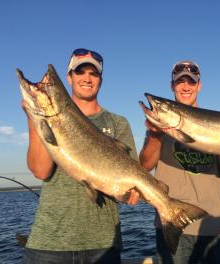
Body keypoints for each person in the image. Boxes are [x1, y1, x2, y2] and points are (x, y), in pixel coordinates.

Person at [139, 60, 220, 264]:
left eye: (191, 82)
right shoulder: (157, 129)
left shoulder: (217, 123)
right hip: (174, 224)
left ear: (199, 85)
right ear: (172, 86)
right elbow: (144, 167)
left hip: (217, 225)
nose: (186, 86)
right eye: (180, 82)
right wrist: (154, 135)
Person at [22, 48, 139, 264]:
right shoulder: (50, 115)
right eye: (80, 72)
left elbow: (129, 180)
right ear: (69, 77)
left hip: (102, 244)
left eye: (93, 73)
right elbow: (41, 170)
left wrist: (127, 194)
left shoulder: (118, 122)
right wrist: (34, 117)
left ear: (100, 80)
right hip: (49, 243)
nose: (87, 78)